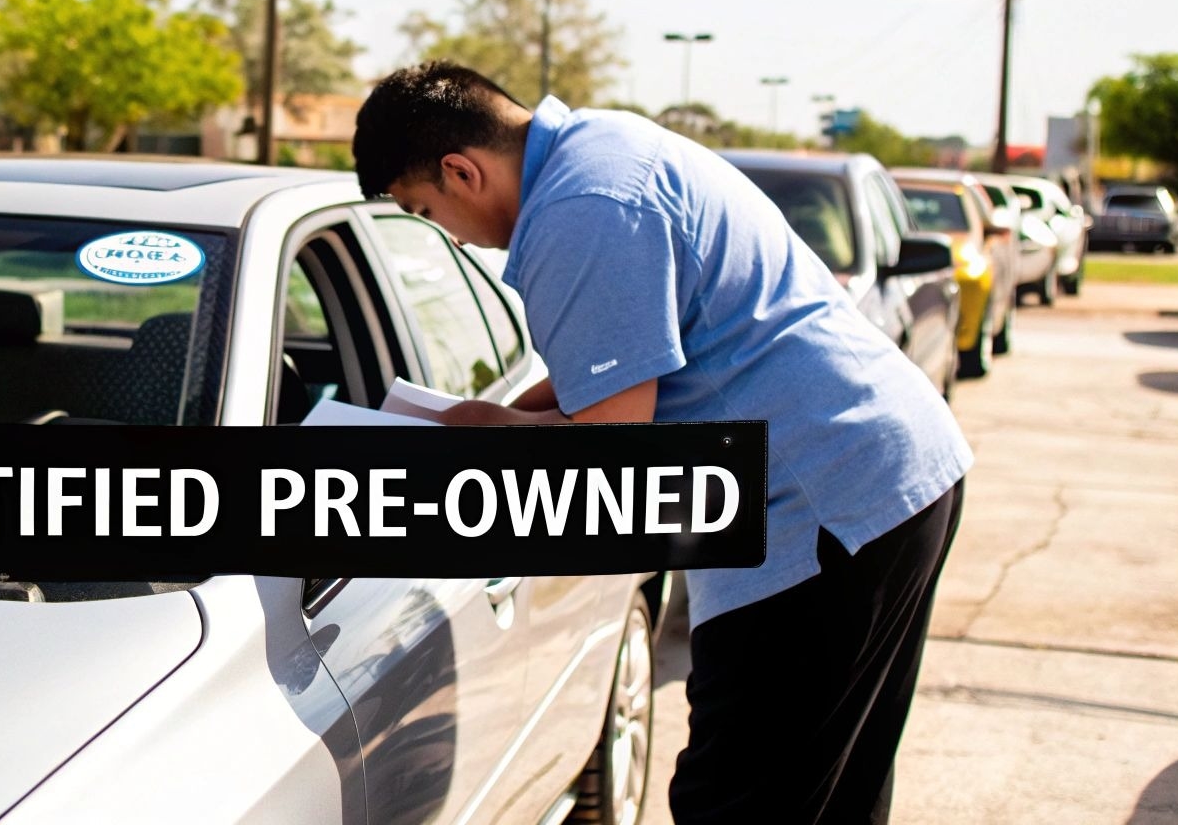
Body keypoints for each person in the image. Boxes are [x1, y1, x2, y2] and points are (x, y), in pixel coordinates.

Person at [351, 61, 971, 824]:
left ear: (461, 171)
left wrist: (490, 432)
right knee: (831, 789)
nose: (448, 237)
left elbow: (613, 450)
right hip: (886, 471)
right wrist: (507, 409)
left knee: (738, 799)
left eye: (425, 210)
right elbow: (634, 356)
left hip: (822, 505)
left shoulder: (581, 213)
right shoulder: (602, 147)